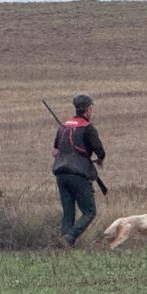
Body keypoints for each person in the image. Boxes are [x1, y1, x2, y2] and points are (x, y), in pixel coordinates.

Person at [52, 93, 106, 247]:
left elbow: (54, 152)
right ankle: (69, 239)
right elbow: (100, 152)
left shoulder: (63, 126)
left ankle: (64, 244)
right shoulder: (88, 127)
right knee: (89, 212)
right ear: (88, 109)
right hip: (79, 174)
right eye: (91, 108)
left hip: (61, 173)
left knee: (68, 212)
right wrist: (99, 160)